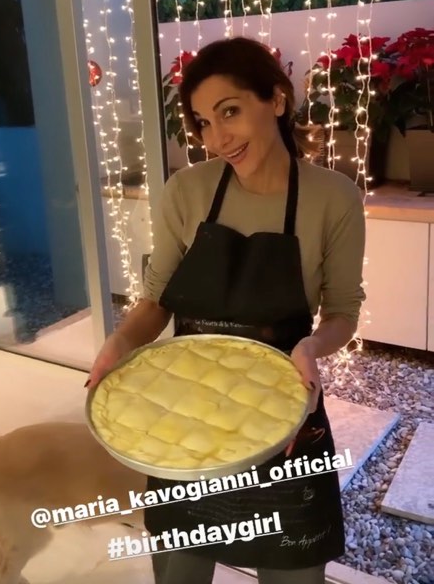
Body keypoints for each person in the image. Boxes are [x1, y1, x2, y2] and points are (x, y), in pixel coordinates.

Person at [87, 36, 366, 583]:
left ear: (277, 99)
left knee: (292, 572)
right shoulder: (186, 191)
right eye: (203, 122)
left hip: (282, 417)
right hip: (184, 420)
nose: (217, 139)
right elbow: (156, 301)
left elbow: (342, 312)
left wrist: (311, 346)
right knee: (181, 574)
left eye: (230, 112)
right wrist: (119, 342)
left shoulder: (334, 197)